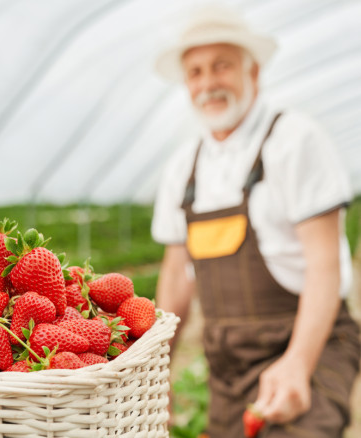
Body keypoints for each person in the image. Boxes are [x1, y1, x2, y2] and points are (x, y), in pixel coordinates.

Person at [151, 4, 360, 438]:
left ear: (254, 73)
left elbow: (325, 266)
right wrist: (157, 373)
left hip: (310, 344)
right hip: (227, 366)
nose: (208, 83)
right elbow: (176, 277)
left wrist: (298, 365)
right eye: (195, 72)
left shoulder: (294, 141)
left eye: (221, 66)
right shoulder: (182, 167)